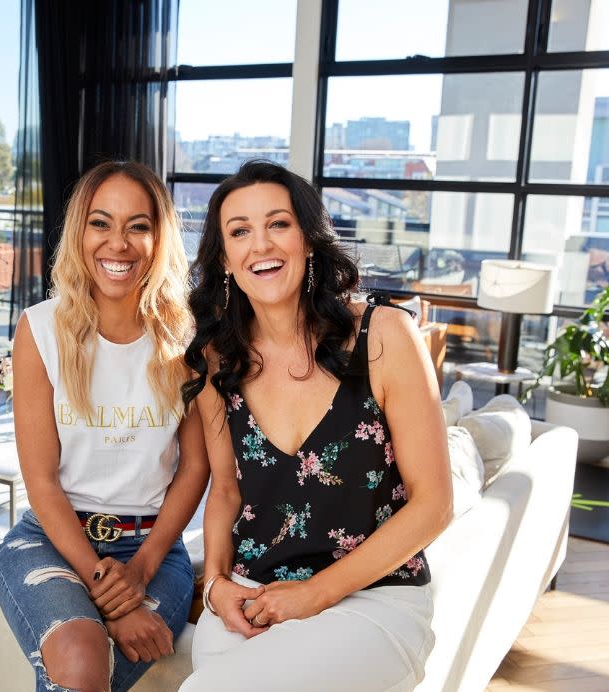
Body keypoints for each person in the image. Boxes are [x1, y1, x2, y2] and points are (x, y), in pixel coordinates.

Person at [179, 160, 452, 691]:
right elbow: (226, 492)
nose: (261, 244)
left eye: (278, 224)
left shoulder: (384, 336)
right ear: (226, 260)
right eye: (240, 232)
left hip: (376, 598)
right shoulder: (217, 357)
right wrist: (214, 585)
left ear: (308, 240)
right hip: (254, 592)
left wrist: (314, 595)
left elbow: (434, 504)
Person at [0, 161, 209, 692]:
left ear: (160, 238)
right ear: (79, 232)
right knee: (80, 651)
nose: (118, 243)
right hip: (50, 540)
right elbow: (40, 480)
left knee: (82, 672)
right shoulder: (39, 330)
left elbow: (196, 468)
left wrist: (139, 570)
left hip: (155, 552)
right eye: (100, 223)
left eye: (138, 226)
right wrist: (107, 599)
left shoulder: (190, 338)